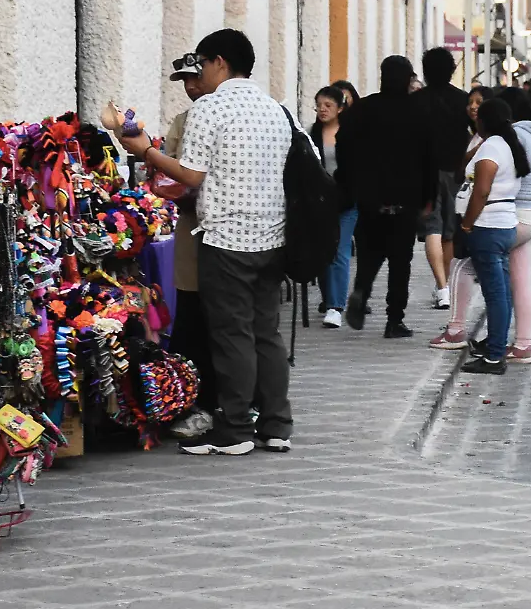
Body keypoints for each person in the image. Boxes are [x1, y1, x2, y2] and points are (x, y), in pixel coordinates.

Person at [114, 28, 293, 456]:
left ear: (218, 63)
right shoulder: (275, 110)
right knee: (265, 333)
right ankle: (276, 424)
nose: (201, 74)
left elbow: (190, 176)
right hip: (272, 236)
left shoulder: (210, 108)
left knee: (231, 335)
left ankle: (233, 430)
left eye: (203, 64)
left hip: (226, 237)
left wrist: (144, 151)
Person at [431, 87, 531, 364]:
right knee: (517, 282)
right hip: (523, 217)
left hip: (502, 219)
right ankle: (522, 344)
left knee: (473, 274)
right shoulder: (527, 137)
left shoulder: (501, 142)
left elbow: (481, 188)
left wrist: (468, 225)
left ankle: (461, 332)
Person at [336, 55, 436, 338]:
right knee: (400, 260)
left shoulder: (363, 109)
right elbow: (429, 157)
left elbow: (343, 144)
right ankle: (394, 320)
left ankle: (361, 291)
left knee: (370, 252)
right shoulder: (418, 112)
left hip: (370, 197)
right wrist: (429, 195)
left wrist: (351, 179)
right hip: (406, 197)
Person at [158, 56, 218, 439]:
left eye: (195, 78)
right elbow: (168, 170)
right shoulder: (183, 121)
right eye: (184, 81)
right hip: (191, 226)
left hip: (229, 230)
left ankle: (225, 399)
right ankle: (187, 398)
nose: (191, 87)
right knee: (190, 312)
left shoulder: (229, 115)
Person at [453, 98, 527, 375]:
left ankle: (495, 356)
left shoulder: (492, 148)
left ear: (483, 121)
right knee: (502, 293)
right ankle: (494, 344)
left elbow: (481, 191)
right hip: (505, 224)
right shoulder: (507, 146)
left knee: (495, 294)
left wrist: (468, 225)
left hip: (487, 226)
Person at [413, 48, 471, 311]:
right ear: (452, 70)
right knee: (448, 231)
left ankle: (442, 287)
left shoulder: (416, 101)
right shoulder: (463, 100)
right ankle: (445, 285)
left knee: (431, 229)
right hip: (455, 170)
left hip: (423, 171)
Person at [310, 86, 358, 329]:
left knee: (340, 250)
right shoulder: (311, 134)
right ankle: (328, 299)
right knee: (323, 252)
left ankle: (335, 306)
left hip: (346, 201)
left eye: (328, 105)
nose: (322, 109)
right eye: (319, 105)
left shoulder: (350, 133)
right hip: (320, 202)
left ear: (340, 108)